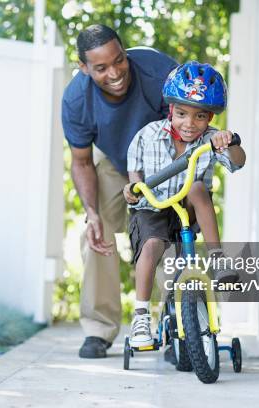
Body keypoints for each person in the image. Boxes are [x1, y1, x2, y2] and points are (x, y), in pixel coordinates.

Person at [61, 24, 178, 358]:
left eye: (119, 60)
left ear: (125, 51)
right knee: (95, 235)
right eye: (100, 68)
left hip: (163, 162)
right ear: (84, 68)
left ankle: (178, 328)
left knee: (167, 236)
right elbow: (81, 162)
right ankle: (99, 329)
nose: (115, 73)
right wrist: (93, 213)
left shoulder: (160, 74)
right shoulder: (75, 100)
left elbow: (187, 127)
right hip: (114, 163)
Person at [122, 61, 246, 348]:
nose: (189, 124)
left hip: (188, 212)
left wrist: (229, 142)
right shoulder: (147, 136)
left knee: (198, 186)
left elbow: (238, 163)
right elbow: (134, 181)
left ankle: (217, 260)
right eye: (181, 114)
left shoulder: (212, 140)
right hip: (152, 209)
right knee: (152, 246)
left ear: (210, 117)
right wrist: (131, 190)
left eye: (200, 116)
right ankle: (141, 314)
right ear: (170, 110)